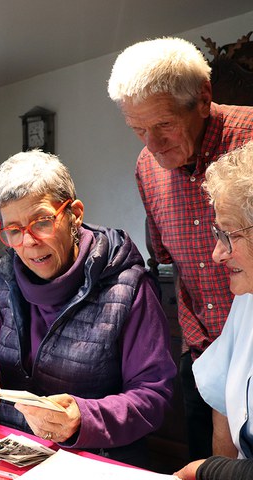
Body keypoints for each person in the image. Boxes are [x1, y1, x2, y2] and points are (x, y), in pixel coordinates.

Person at [0, 150, 176, 468]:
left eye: (41, 222)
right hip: (13, 451)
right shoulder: (3, 277)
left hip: (97, 460)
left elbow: (153, 397)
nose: (28, 242)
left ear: (75, 213)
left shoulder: (128, 286)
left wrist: (83, 419)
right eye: (13, 230)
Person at [107, 36, 253, 460]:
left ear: (203, 99)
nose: (151, 145)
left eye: (164, 124)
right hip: (201, 354)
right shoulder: (146, 167)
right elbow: (164, 259)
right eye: (138, 130)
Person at [175, 141, 253, 479]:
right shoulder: (247, 300)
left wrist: (209, 472)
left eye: (227, 234)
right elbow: (224, 401)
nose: (217, 254)